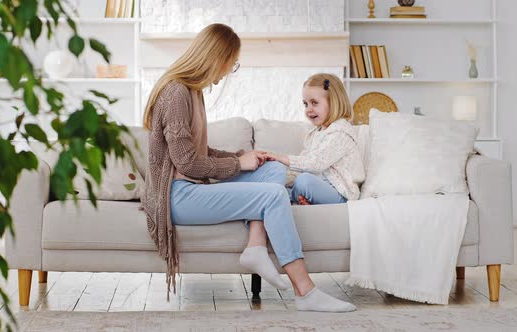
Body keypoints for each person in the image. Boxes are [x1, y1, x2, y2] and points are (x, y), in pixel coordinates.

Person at [140, 24, 356, 312]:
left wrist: (242, 156)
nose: (230, 70)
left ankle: (255, 245)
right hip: (176, 197)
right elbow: (186, 162)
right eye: (233, 63)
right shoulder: (176, 93)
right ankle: (305, 291)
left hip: (192, 187)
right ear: (218, 58)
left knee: (273, 172)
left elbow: (198, 153)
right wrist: (237, 164)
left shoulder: (193, 92)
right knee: (273, 195)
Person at [265, 73, 365, 205]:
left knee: (304, 181)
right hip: (322, 187)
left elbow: (315, 164)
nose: (308, 109)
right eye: (305, 104)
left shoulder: (341, 132)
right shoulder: (315, 133)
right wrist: (280, 176)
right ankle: (287, 195)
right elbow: (303, 165)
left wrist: (282, 158)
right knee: (285, 178)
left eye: (314, 103)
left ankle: (287, 197)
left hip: (341, 194)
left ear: (333, 103)